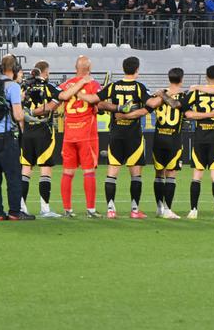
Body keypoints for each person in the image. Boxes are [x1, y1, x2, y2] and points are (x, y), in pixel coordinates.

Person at [92, 56, 153, 219]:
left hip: (116, 134)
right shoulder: (139, 87)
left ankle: (111, 209)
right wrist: (131, 115)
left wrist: (116, 111)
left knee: (112, 172)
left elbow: (98, 102)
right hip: (133, 136)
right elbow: (150, 106)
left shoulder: (113, 86)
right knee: (136, 174)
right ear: (137, 70)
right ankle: (134, 210)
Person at [0, 55, 29, 220]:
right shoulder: (13, 86)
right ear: (15, 69)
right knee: (13, 174)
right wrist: (26, 111)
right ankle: (15, 212)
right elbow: (17, 115)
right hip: (4, 134)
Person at [184, 65, 214, 220]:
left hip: (200, 139)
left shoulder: (196, 92)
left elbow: (186, 113)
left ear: (206, 77)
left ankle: (193, 210)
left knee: (197, 175)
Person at [57, 56, 102, 218]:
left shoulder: (67, 84)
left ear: (75, 68)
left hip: (69, 134)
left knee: (67, 172)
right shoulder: (94, 84)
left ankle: (67, 209)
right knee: (88, 172)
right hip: (86, 135)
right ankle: (90, 209)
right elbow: (99, 102)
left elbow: (61, 97)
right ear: (89, 69)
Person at [19, 62, 62, 217]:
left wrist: (23, 128)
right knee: (45, 170)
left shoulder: (24, 88)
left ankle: (22, 207)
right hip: (44, 131)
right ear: (45, 72)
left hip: (27, 132)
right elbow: (57, 100)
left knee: (25, 170)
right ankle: (45, 208)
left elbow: (18, 110)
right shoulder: (49, 88)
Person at [149, 68, 187, 219]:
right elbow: (179, 107)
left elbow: (150, 106)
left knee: (158, 173)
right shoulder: (184, 95)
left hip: (158, 138)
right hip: (173, 140)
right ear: (182, 79)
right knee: (171, 173)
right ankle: (168, 209)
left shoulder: (158, 94)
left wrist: (161, 93)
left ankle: (159, 208)